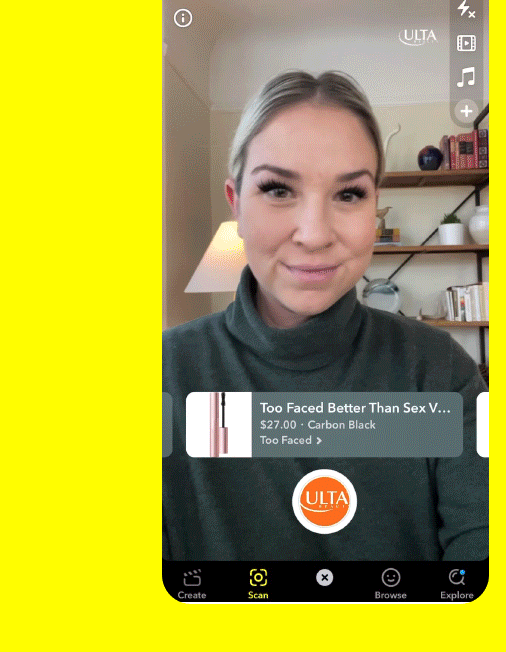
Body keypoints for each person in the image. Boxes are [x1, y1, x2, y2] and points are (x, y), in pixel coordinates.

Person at [163, 70, 488, 561]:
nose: (314, 235)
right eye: (278, 190)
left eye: (349, 194)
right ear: (237, 206)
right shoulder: (165, 374)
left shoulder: (439, 373)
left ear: (374, 208)